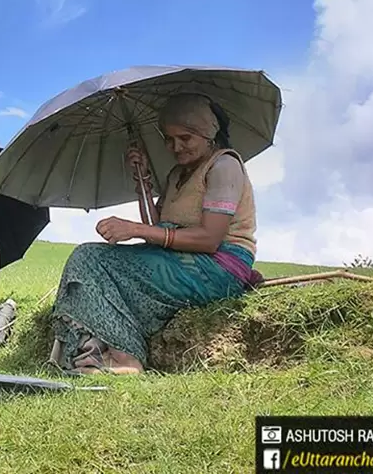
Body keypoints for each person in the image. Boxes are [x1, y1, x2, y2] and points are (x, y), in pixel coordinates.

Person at [47, 93, 264, 375]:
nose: (176, 147)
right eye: (170, 139)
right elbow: (159, 225)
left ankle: (125, 357)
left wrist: (135, 229)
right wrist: (144, 184)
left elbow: (210, 239)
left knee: (93, 261)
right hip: (181, 258)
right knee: (89, 256)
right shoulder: (177, 175)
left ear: (209, 134)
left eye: (185, 138)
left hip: (216, 268)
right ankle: (102, 351)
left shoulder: (224, 166)